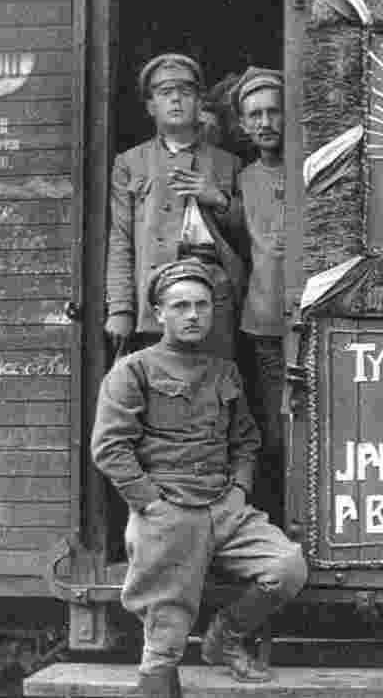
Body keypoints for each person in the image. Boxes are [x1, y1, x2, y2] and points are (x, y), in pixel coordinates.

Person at [91, 259, 307, 697]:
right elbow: (110, 448)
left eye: (202, 306)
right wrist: (151, 503)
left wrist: (239, 491)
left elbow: (245, 441)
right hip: (166, 506)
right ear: (159, 312)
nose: (193, 315)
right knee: (167, 616)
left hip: (224, 507)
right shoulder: (133, 371)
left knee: (286, 568)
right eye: (181, 305)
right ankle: (156, 682)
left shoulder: (223, 371)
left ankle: (224, 637)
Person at [105, 53, 248, 360]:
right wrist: (120, 309)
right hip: (156, 290)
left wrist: (220, 201)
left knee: (214, 383)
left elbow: (253, 236)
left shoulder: (229, 163)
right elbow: (120, 240)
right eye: (165, 92)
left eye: (185, 92)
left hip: (214, 290)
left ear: (199, 102)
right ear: (150, 105)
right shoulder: (130, 163)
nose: (176, 100)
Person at [231, 67, 286, 525]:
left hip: (315, 314)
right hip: (266, 320)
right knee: (276, 427)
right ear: (244, 126)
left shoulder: (312, 166)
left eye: (274, 112)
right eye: (255, 115)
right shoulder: (244, 179)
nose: (266, 122)